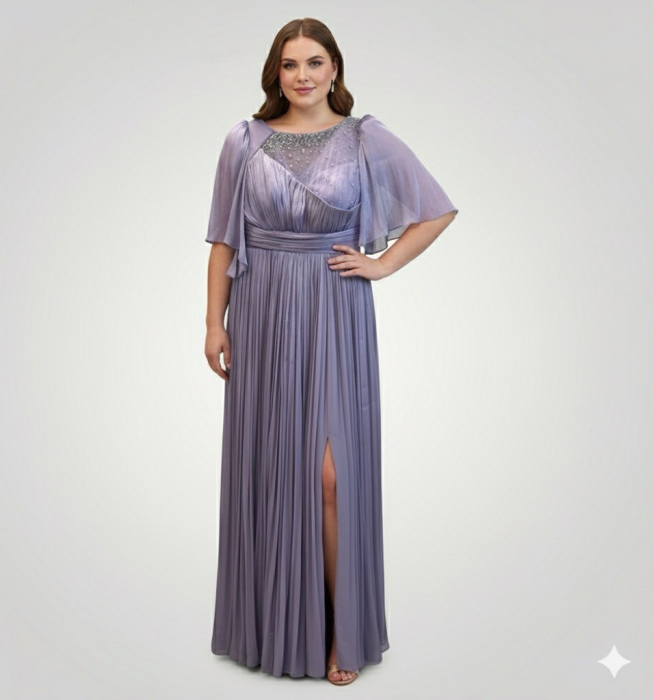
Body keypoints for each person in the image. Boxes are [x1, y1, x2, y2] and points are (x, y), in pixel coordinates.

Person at [204, 17, 458, 686]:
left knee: (330, 477)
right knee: (273, 467)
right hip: (261, 313)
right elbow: (224, 240)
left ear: (335, 69)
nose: (303, 75)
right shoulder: (242, 141)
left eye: (315, 62)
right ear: (276, 73)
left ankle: (342, 629)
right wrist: (213, 323)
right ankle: (278, 627)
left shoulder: (365, 137)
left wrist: (382, 264)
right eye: (290, 65)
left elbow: (436, 210)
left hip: (334, 310)